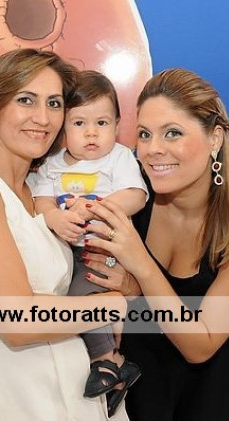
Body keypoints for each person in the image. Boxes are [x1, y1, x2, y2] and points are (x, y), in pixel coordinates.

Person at [0, 48, 129, 421]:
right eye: (25, 100)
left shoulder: (41, 195)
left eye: (54, 103)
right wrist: (114, 305)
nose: (43, 117)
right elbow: (16, 319)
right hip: (17, 393)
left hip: (80, 387)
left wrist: (121, 284)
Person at [81, 68, 229, 420]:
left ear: (214, 138)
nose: (153, 150)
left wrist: (141, 271)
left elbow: (200, 345)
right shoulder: (132, 197)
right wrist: (130, 292)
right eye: (144, 134)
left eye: (172, 133)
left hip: (213, 404)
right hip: (137, 402)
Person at [31, 70, 147, 408]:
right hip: (71, 252)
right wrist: (56, 218)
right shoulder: (52, 165)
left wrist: (97, 207)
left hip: (107, 250)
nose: (91, 133)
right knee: (69, 297)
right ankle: (120, 368)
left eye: (102, 123)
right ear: (63, 127)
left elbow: (136, 195)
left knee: (80, 297)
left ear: (117, 125)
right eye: (79, 123)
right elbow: (42, 202)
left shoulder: (119, 157)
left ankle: (106, 361)